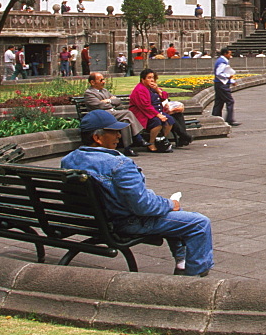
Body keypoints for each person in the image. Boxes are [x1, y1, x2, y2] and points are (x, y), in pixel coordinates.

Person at [62, 110, 213, 277]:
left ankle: (182, 262)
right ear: (97, 138)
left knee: (173, 212)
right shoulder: (119, 164)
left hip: (95, 219)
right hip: (125, 222)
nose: (119, 136)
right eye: (113, 132)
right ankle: (193, 279)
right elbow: (142, 206)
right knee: (199, 223)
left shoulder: (69, 159)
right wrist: (169, 203)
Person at [83, 71, 144, 156]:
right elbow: (99, 105)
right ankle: (138, 138)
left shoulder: (104, 91)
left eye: (103, 80)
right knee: (128, 113)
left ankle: (127, 148)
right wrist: (111, 102)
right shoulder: (89, 93)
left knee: (125, 121)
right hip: (101, 116)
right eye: (101, 80)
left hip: (111, 114)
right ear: (92, 82)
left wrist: (108, 100)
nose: (103, 82)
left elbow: (118, 101)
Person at [129, 69, 176, 153]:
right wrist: (158, 115)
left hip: (155, 112)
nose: (152, 80)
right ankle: (151, 143)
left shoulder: (152, 88)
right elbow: (145, 106)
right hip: (142, 114)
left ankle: (161, 139)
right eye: (149, 78)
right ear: (143, 79)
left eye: (153, 77)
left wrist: (158, 90)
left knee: (170, 120)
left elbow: (164, 96)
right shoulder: (140, 89)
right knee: (157, 122)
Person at [212, 47, 240, 126]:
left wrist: (231, 81)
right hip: (222, 84)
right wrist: (228, 76)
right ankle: (229, 119)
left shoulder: (222, 61)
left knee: (219, 101)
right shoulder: (222, 62)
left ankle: (215, 118)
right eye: (229, 54)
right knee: (229, 101)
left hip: (219, 83)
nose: (230, 55)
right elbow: (219, 73)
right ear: (225, 54)